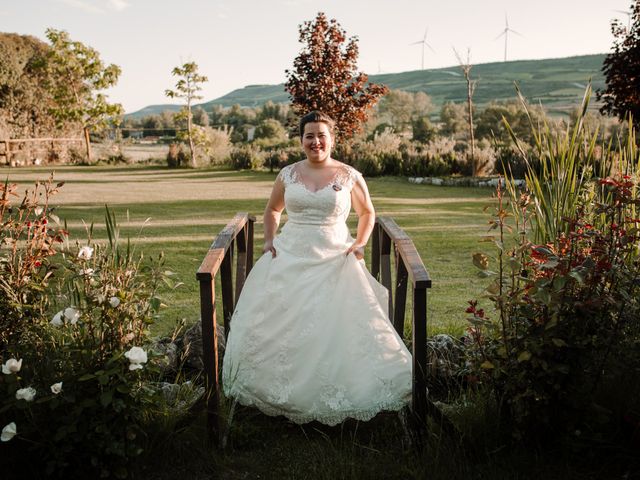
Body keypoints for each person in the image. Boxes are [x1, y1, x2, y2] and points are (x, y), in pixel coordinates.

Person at [222, 111, 412, 426]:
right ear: (301, 140)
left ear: (332, 139)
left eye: (321, 135)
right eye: (309, 135)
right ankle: (275, 392)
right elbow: (272, 209)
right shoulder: (288, 174)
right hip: (289, 256)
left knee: (339, 325)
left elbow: (367, 213)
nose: (315, 141)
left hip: (335, 258)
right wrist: (269, 240)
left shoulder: (349, 174)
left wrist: (360, 243)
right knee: (281, 323)